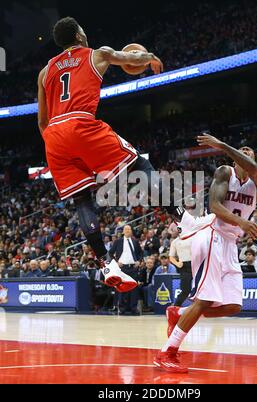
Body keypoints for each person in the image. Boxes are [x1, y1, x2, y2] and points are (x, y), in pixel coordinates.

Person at [37, 17, 209, 293]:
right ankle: (184, 220)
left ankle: (106, 263)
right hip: (81, 123)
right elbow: (131, 56)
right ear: (79, 35)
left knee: (82, 201)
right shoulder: (97, 53)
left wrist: (55, 140)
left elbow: (42, 122)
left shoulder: (45, 72)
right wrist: (150, 56)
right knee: (140, 164)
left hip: (54, 138)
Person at [154, 133, 257, 373]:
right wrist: (243, 223)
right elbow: (215, 207)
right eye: (241, 150)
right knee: (204, 299)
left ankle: (180, 313)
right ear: (234, 159)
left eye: (250, 152)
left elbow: (254, 169)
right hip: (212, 236)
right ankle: (167, 352)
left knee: (234, 305)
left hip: (231, 244)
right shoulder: (225, 172)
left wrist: (224, 146)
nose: (245, 152)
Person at [109, 225, 143, 315]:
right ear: (123, 232)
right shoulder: (118, 241)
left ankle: (133, 308)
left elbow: (141, 253)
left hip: (133, 267)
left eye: (129, 229)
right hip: (122, 268)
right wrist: (117, 262)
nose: (128, 231)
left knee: (134, 289)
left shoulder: (135, 241)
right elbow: (110, 253)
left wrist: (139, 261)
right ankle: (122, 308)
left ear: (131, 231)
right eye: (126, 229)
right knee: (122, 288)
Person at [169, 231, 192, 306]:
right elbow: (171, 256)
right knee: (185, 290)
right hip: (184, 266)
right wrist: (177, 263)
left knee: (201, 288)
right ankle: (176, 306)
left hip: (196, 264)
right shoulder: (175, 242)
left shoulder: (194, 237)